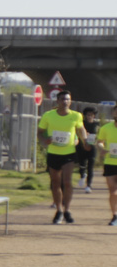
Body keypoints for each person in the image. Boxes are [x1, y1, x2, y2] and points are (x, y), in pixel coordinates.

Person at [37, 91, 90, 224]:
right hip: (53, 153)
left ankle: (67, 210)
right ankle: (59, 210)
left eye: (67, 99)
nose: (65, 102)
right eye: (62, 99)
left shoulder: (76, 116)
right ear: (57, 101)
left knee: (67, 181)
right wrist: (45, 141)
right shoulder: (48, 115)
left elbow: (81, 129)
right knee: (55, 182)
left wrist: (85, 141)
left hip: (69, 153)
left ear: (70, 101)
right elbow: (40, 132)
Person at [94, 109, 117, 226]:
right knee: (113, 192)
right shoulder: (106, 128)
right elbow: (100, 141)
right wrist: (101, 148)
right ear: (113, 113)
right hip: (110, 163)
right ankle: (115, 215)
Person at [76, 106, 99, 193]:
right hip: (81, 147)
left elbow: (100, 135)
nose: (89, 116)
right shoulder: (82, 123)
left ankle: (88, 185)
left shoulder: (97, 125)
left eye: (91, 115)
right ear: (85, 115)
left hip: (92, 147)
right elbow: (78, 132)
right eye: (88, 115)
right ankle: (82, 175)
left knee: (90, 167)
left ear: (94, 116)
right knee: (82, 164)